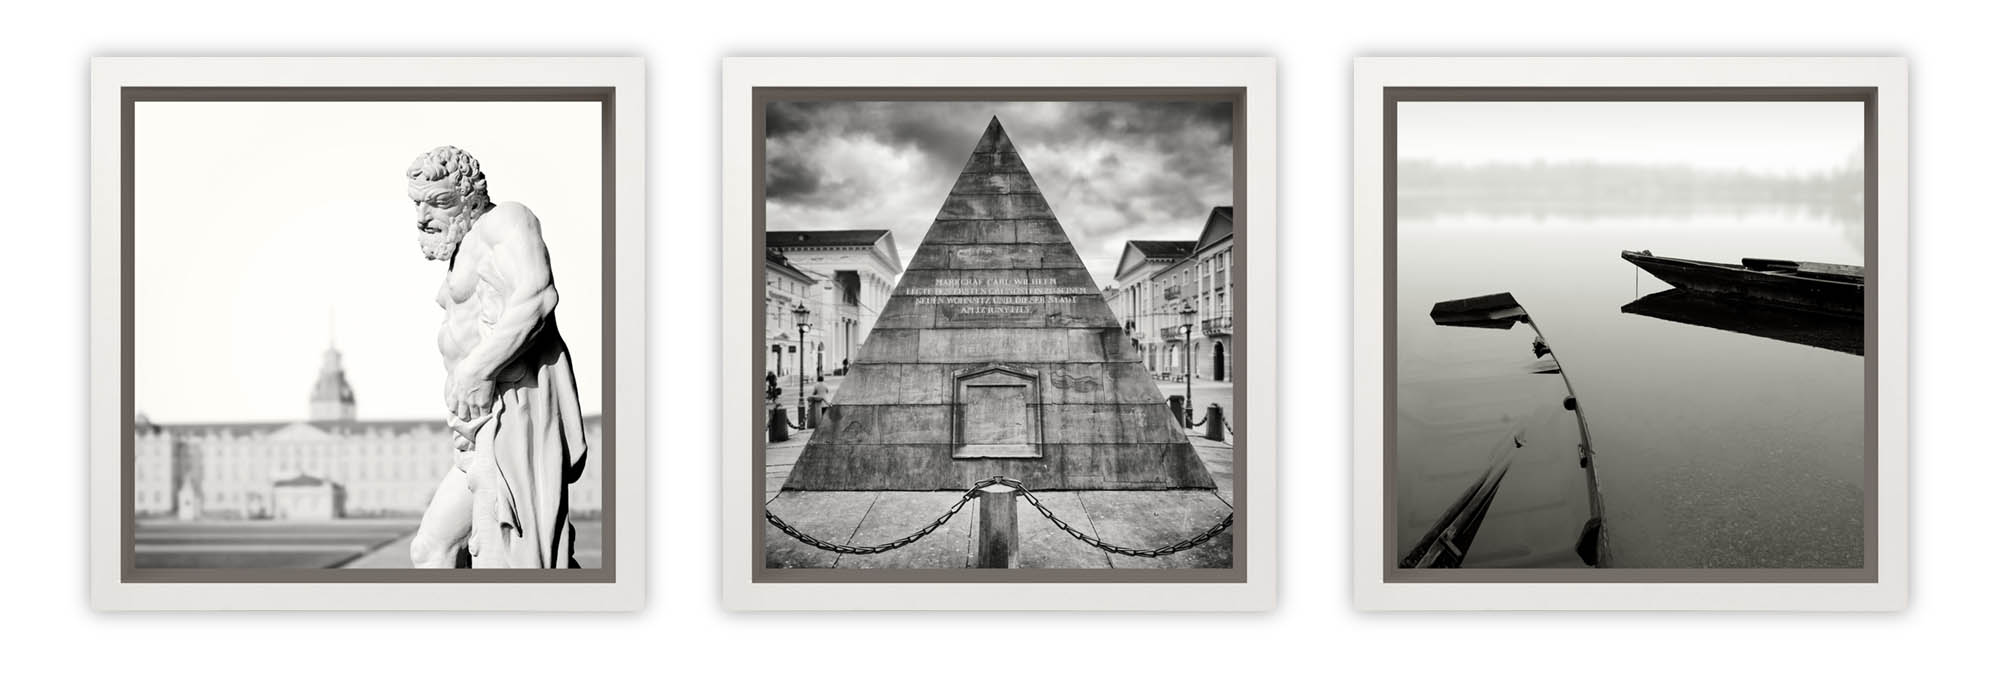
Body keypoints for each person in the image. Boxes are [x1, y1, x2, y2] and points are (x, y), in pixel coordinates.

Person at [405, 146, 588, 569]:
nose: (423, 216)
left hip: (510, 415)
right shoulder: (465, 244)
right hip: (475, 426)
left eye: (440, 202)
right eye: (418, 202)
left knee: (513, 557)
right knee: (432, 550)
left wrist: (476, 368)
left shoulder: (506, 220)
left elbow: (538, 295)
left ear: (471, 196)